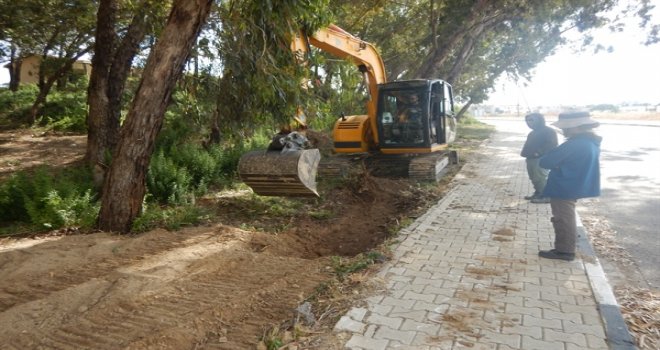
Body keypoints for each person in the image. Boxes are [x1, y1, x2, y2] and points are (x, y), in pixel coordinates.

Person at [537, 111, 602, 261]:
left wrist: (552, 152)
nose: (564, 130)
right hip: (574, 185)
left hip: (564, 187)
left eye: (566, 127)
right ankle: (566, 246)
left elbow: (545, 162)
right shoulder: (590, 142)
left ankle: (564, 251)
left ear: (576, 127)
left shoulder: (574, 144)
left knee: (563, 219)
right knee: (566, 217)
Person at [520, 113, 558, 203]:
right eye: (527, 121)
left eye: (531, 120)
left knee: (540, 178)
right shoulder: (532, 133)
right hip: (530, 158)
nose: (528, 123)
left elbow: (552, 145)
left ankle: (546, 196)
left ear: (539, 120)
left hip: (541, 159)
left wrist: (538, 153)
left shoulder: (549, 131)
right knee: (533, 177)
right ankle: (538, 193)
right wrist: (524, 153)